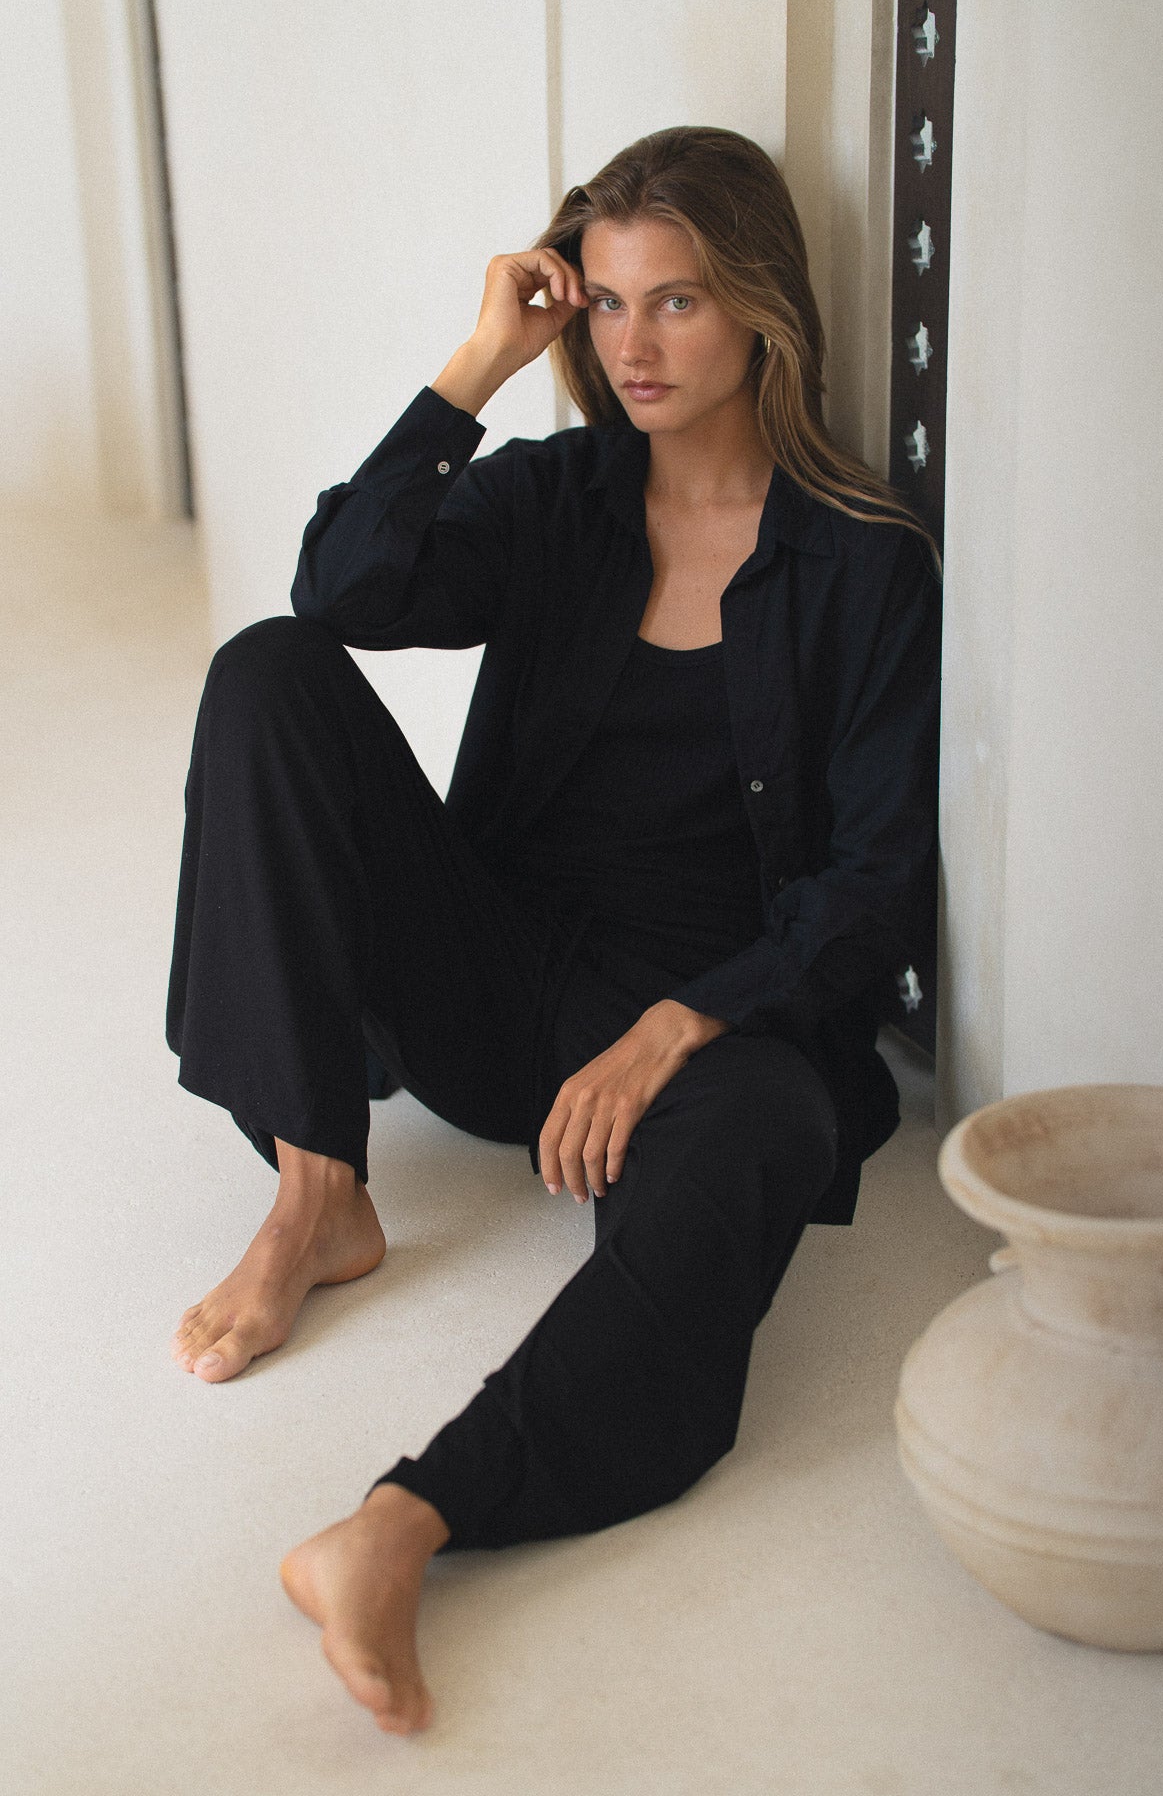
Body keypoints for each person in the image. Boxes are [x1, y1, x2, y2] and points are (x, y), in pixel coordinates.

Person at [166, 125, 940, 1734]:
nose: (632, 345)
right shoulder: (559, 496)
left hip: (702, 1032)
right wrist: (473, 371)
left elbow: (869, 889)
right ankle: (319, 1192)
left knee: (761, 1147)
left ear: (763, 316)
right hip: (498, 982)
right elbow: (343, 594)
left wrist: (676, 1030)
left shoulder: (864, 563)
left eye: (676, 306)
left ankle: (403, 1526)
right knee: (267, 674)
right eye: (602, 305)